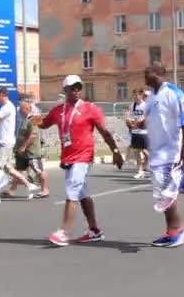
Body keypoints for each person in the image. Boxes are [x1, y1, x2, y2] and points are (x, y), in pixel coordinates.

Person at [38, 75, 124, 247]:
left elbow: (105, 132)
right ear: (65, 90)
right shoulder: (58, 111)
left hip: (83, 157)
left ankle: (64, 232)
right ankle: (94, 230)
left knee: (72, 192)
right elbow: (43, 124)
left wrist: (115, 152)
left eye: (79, 87)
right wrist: (31, 117)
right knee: (83, 194)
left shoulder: (90, 109)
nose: (77, 90)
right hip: (68, 158)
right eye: (73, 87)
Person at [143, 63, 184, 248]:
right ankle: (172, 231)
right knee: (162, 196)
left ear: (157, 73)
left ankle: (178, 230)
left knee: (166, 194)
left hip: (171, 152)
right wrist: (137, 124)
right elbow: (148, 121)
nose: (144, 74)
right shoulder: (151, 97)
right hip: (156, 153)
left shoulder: (175, 93)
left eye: (146, 71)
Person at [0, 87, 35, 204]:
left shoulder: (7, 107)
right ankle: (29, 185)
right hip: (5, 142)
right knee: (8, 168)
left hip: (4, 143)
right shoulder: (5, 108)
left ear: (2, 94)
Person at [6, 100, 49, 198]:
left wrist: (24, 146)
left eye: (20, 109)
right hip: (22, 152)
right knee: (18, 171)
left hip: (31, 151)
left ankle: (44, 190)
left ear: (26, 109)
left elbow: (33, 134)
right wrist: (17, 148)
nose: (19, 111)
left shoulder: (34, 118)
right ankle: (11, 191)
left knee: (39, 170)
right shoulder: (24, 120)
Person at [125, 89, 149, 179]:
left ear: (141, 95)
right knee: (137, 152)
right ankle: (140, 170)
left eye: (137, 95)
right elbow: (129, 116)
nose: (135, 97)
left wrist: (139, 123)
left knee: (146, 152)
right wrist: (129, 121)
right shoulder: (132, 106)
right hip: (135, 132)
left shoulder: (145, 106)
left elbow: (147, 118)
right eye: (134, 95)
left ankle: (148, 167)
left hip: (144, 132)